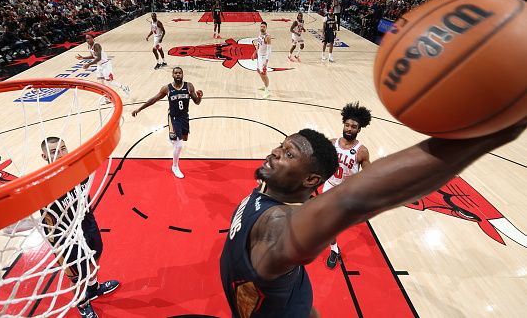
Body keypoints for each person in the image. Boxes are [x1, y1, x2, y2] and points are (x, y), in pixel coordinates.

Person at [220, 123, 525, 317]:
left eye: (288, 153)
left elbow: (356, 199)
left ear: (311, 179)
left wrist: (478, 136)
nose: (275, 152)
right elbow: (350, 200)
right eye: (281, 145)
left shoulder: (274, 216)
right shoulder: (274, 223)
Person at [40, 137, 120, 318]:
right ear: (44, 156)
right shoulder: (43, 185)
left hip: (87, 224)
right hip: (65, 238)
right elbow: (40, 222)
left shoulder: (78, 170)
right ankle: (82, 303)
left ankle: (93, 288)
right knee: (78, 276)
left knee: (96, 255)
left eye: (63, 148)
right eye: (53, 152)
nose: (60, 154)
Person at [322, 102, 371, 269]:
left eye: (353, 126)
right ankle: (334, 249)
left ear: (359, 129)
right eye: (347, 125)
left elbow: (369, 174)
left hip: (347, 192)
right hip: (330, 186)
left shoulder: (361, 151)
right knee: (328, 224)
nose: (349, 128)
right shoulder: (332, 143)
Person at [131, 67, 202, 179]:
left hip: (184, 116)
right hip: (173, 118)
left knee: (184, 138)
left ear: (183, 74)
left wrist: (200, 97)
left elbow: (197, 102)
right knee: (179, 146)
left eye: (180, 73)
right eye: (176, 73)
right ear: (172, 75)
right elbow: (153, 100)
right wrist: (139, 109)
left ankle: (172, 138)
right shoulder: (167, 88)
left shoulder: (189, 86)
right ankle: (175, 166)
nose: (178, 75)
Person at [75, 35, 130, 101]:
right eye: (86, 38)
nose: (87, 40)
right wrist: (83, 57)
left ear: (93, 38)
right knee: (101, 83)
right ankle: (107, 99)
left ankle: (124, 88)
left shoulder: (96, 46)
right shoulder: (89, 46)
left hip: (106, 65)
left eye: (89, 38)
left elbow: (99, 58)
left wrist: (89, 64)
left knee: (110, 82)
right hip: (99, 65)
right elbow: (93, 56)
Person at [251, 21, 272, 98]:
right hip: (259, 56)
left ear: (266, 28)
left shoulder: (267, 37)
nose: (262, 28)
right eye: (261, 26)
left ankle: (267, 90)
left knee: (264, 74)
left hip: (264, 57)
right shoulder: (259, 35)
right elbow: (258, 45)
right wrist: (254, 53)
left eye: (263, 27)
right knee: (259, 71)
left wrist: (266, 62)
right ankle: (265, 85)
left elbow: (269, 50)